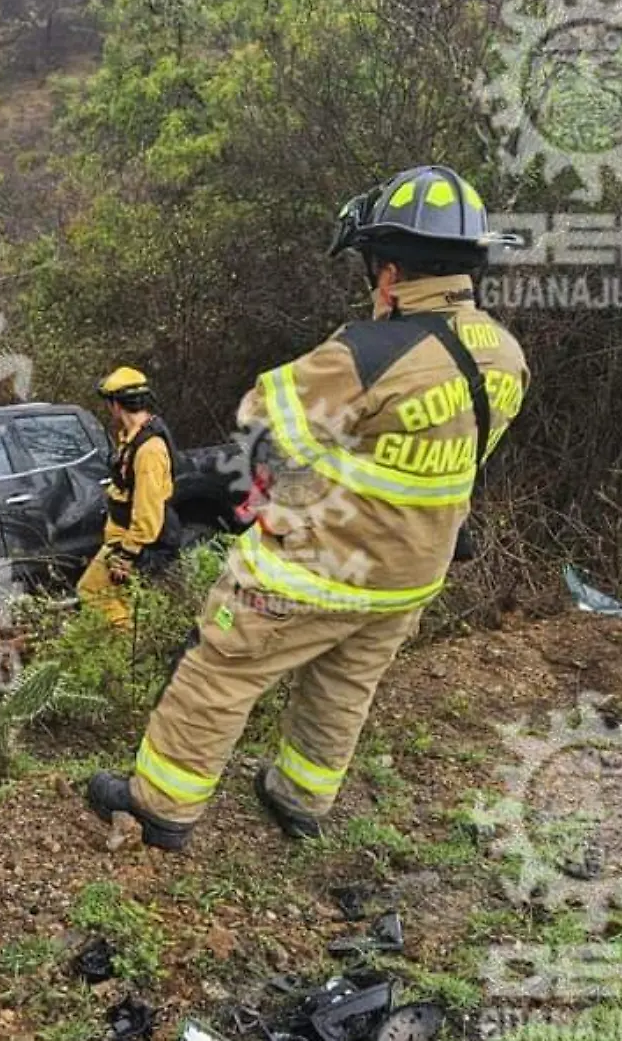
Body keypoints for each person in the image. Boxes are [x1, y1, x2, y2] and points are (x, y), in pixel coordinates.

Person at [85, 165, 531, 847]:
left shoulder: (368, 352)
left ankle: (160, 805)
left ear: (388, 273)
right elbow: (445, 460)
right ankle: (299, 797)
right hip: (411, 574)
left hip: (319, 566)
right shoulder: (504, 355)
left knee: (220, 666)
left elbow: (262, 433)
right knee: (345, 681)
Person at [77, 367, 184, 630]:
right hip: (123, 537)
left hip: (141, 542)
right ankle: (126, 649)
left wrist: (127, 555)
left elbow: (148, 510)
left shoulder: (149, 450)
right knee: (117, 599)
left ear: (115, 405)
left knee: (93, 592)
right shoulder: (132, 437)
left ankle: (127, 655)